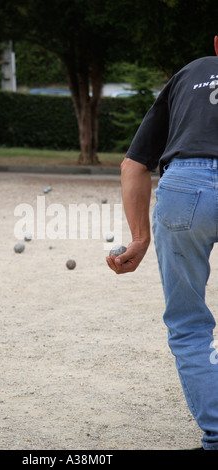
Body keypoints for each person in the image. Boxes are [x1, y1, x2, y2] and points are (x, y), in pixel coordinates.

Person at [106, 37, 218, 450]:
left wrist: (138, 239)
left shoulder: (188, 74)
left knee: (189, 325)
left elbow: (133, 163)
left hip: (184, 186)